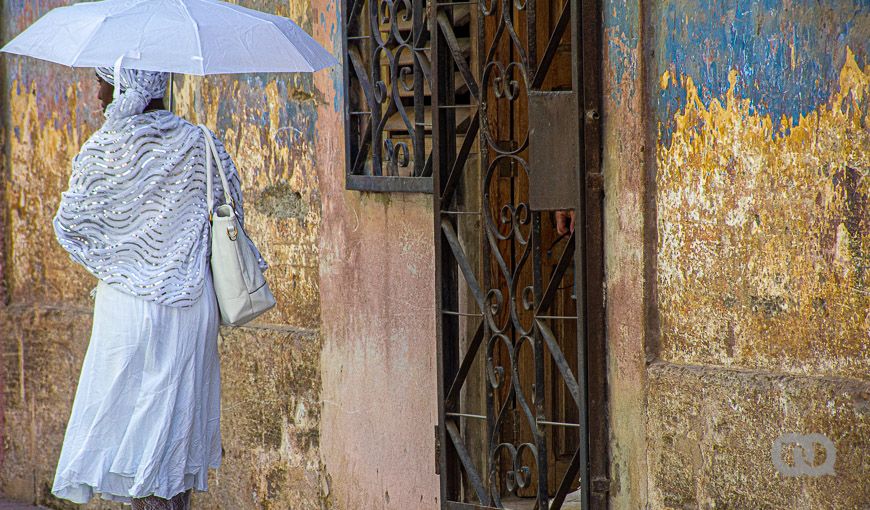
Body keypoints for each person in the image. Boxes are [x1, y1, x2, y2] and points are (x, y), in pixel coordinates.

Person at [49, 67, 265, 509]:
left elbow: (71, 225)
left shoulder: (106, 148)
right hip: (189, 310)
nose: (97, 91)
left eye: (102, 80)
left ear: (128, 83)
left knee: (130, 434)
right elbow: (231, 214)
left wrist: (124, 260)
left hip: (127, 312)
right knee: (174, 435)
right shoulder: (203, 143)